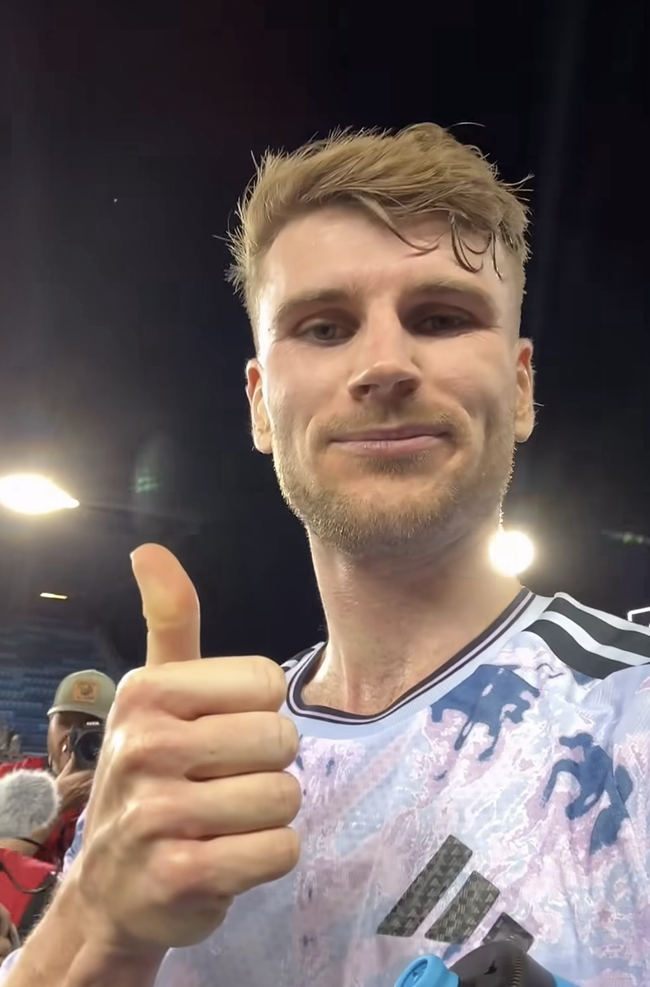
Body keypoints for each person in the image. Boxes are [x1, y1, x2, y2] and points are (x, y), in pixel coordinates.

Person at [1, 123, 649, 987]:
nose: (384, 364)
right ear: (260, 405)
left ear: (522, 385)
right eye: (323, 326)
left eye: (441, 317)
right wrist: (100, 927)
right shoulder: (177, 761)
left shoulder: (630, 715)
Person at [0, 670, 116, 869]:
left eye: (90, 728)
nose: (74, 737)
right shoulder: (9, 779)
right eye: (66, 723)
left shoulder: (127, 792)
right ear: (49, 724)